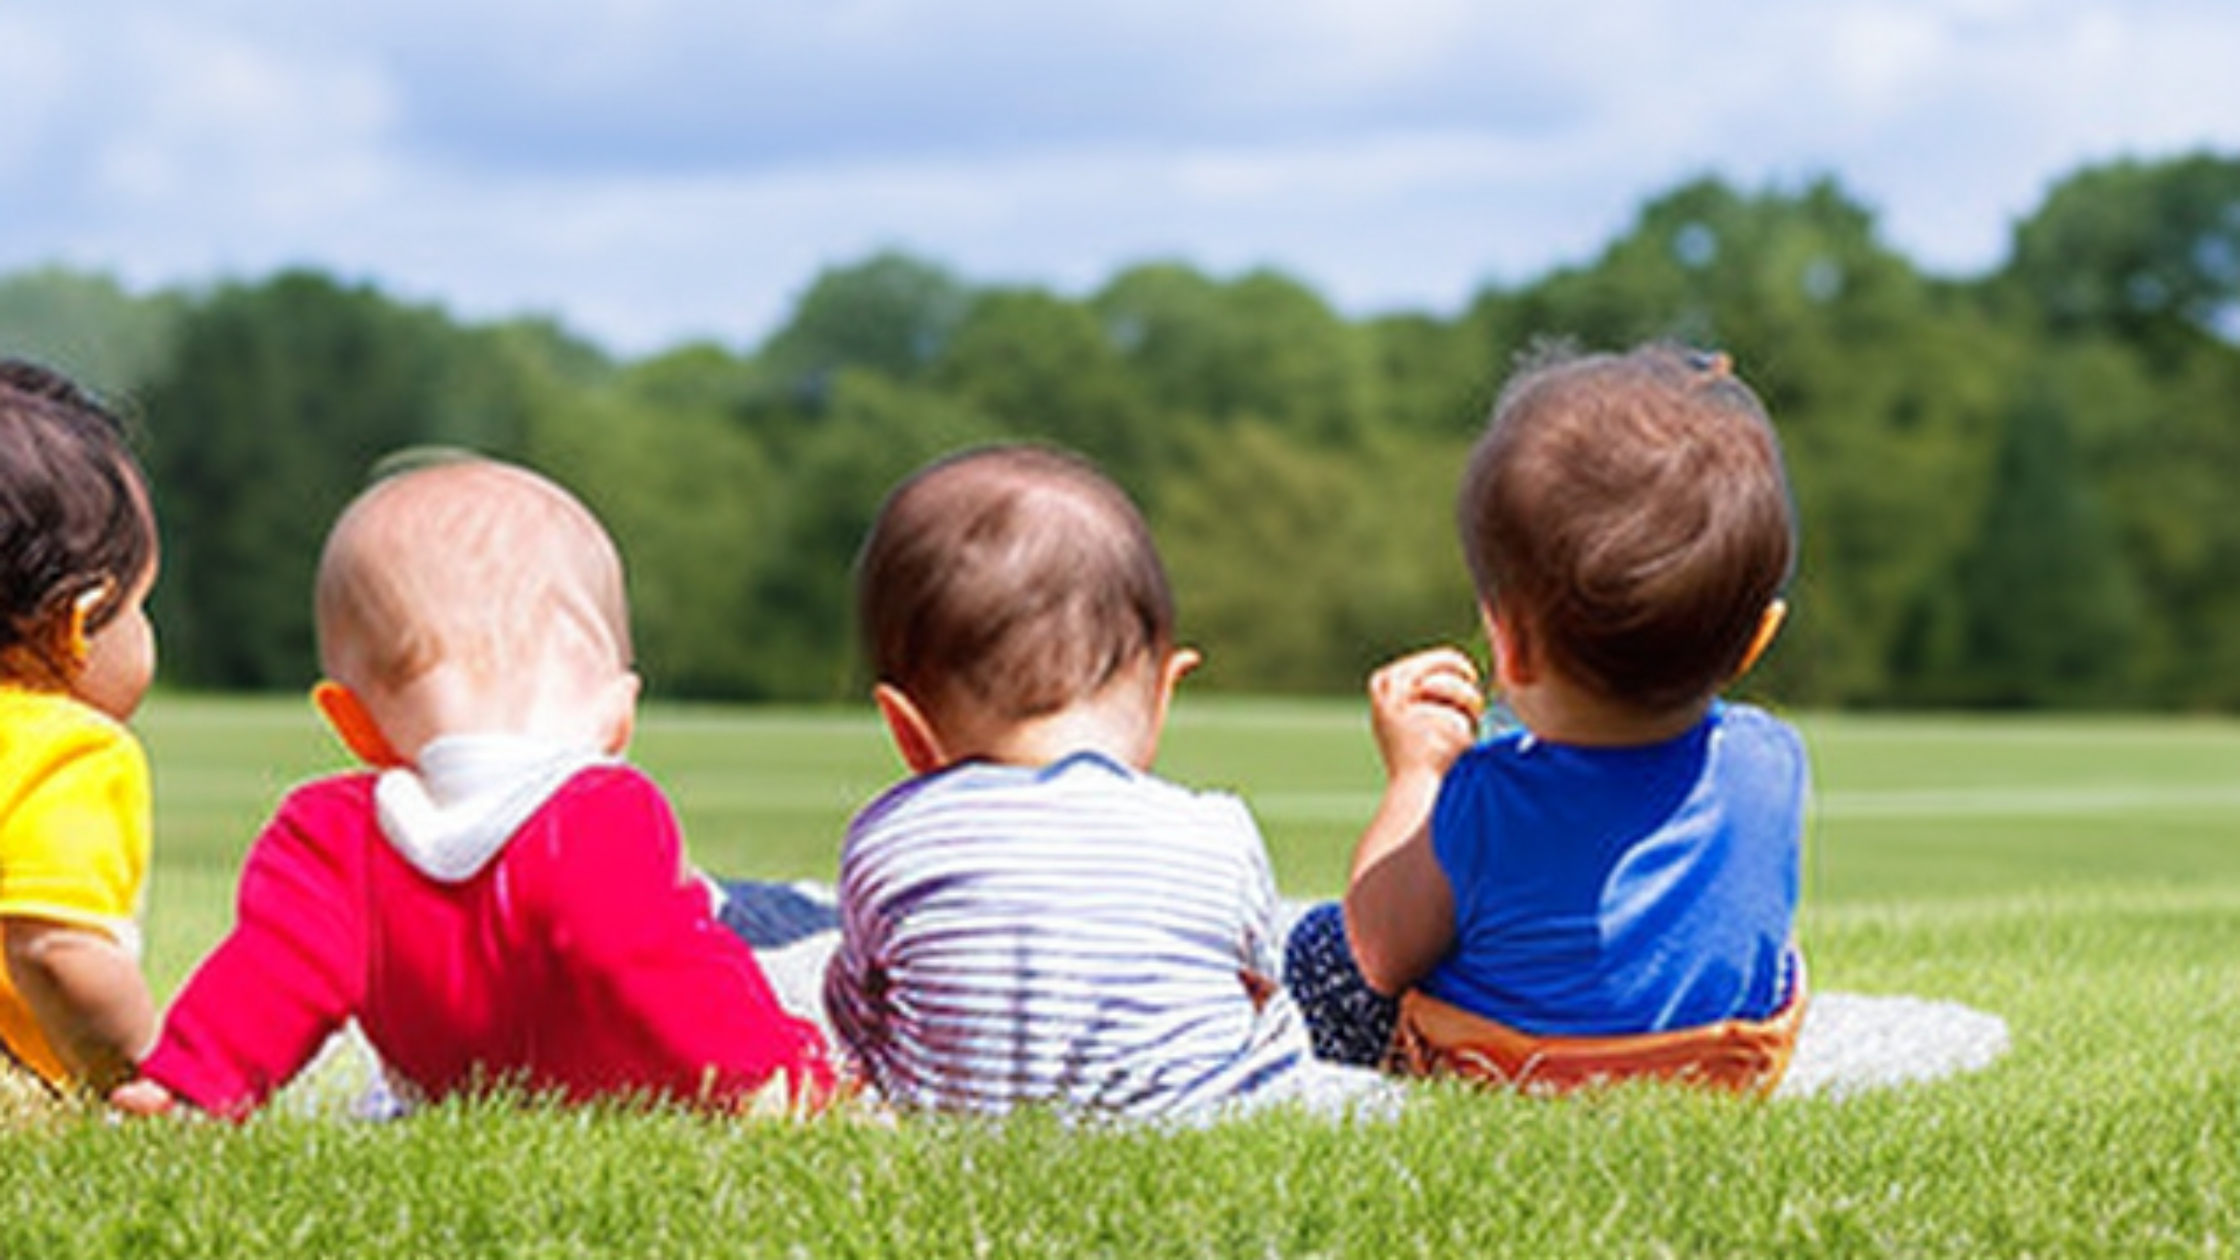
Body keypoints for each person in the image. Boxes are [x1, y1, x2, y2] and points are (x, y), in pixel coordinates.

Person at [112, 456, 834, 1118]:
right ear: (620, 711)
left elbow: (273, 972)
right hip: (628, 1099)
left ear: (351, 722)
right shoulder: (600, 814)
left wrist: (192, 1082)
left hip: (444, 1094)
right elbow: (655, 964)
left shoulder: (333, 833)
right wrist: (780, 1071)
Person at [1285, 342, 1808, 1095]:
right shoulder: (1773, 761)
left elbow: (1376, 950)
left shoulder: (1485, 794)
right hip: (1712, 1070)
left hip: (1508, 1071)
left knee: (1321, 949)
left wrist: (1416, 777)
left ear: (1513, 647)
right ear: (1759, 636)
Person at [824, 444, 1381, 1120]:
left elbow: (857, 1018)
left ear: (906, 728)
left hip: (959, 1133)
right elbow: (1255, 984)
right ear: (1165, 692)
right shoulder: (1216, 831)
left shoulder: (888, 840)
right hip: (1196, 1125)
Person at [0, 361, 162, 1100]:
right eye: (141, 605)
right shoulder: (65, 751)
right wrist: (152, 1082)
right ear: (76, 622)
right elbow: (61, 956)